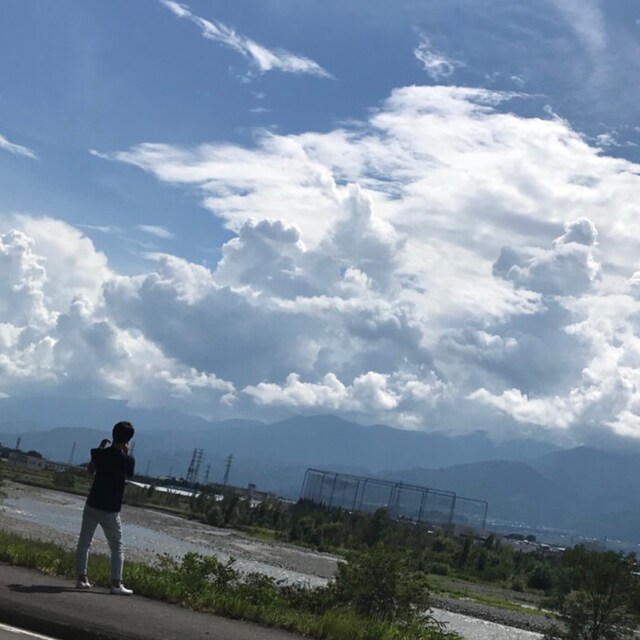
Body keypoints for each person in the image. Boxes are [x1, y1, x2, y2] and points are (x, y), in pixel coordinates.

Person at [75, 420, 136, 595]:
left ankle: (81, 579)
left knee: (84, 543)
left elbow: (90, 470)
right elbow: (129, 475)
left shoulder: (98, 453)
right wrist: (126, 453)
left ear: (112, 434)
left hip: (93, 504)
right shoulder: (128, 460)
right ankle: (116, 584)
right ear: (128, 440)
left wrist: (100, 448)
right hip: (111, 509)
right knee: (117, 546)